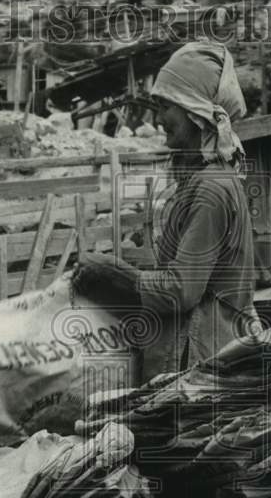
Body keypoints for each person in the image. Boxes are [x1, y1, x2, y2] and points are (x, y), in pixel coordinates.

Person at [72, 41, 259, 382]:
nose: (158, 120)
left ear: (194, 111)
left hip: (199, 365)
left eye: (166, 107)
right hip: (192, 353)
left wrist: (115, 275)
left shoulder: (211, 188)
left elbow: (181, 290)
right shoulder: (200, 181)